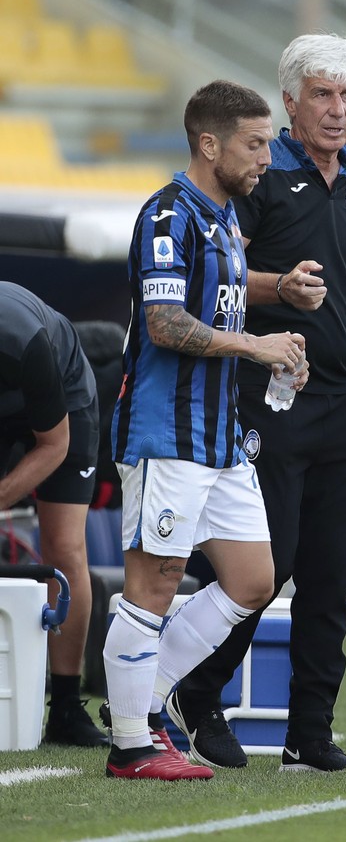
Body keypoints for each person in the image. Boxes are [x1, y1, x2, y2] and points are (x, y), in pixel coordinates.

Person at [168, 33, 346, 774]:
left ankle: (308, 736)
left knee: (333, 574)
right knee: (271, 561)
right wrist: (278, 289)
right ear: (290, 101)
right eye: (323, 94)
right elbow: (221, 270)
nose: (338, 110)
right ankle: (198, 696)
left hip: (344, 395)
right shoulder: (258, 176)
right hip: (268, 394)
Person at [102, 79, 307, 781]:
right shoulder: (167, 215)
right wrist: (254, 346)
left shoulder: (222, 218)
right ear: (209, 143)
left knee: (254, 579)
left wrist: (277, 311)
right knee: (154, 582)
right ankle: (132, 744)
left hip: (219, 437)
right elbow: (164, 324)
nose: (267, 159)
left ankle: (146, 697)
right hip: (166, 433)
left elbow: (220, 296)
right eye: (255, 144)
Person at [0, 282, 108, 747]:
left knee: (63, 546)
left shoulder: (24, 342)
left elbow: (54, 446)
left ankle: (65, 703)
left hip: (62, 404)